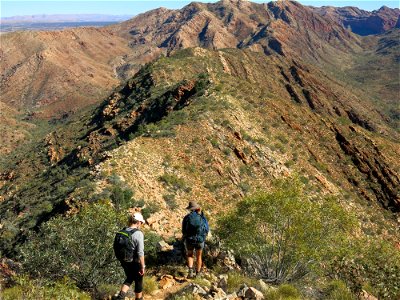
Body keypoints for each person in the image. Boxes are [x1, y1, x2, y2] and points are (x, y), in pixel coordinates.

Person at [113, 212, 146, 300]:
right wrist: (143, 266)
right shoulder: (138, 234)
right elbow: (140, 252)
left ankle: (120, 297)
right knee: (138, 281)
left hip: (124, 260)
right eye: (141, 223)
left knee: (130, 277)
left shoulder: (121, 231)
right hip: (135, 261)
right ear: (138, 222)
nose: (141, 224)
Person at [182, 201, 209, 278]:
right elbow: (207, 229)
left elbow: (183, 230)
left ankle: (190, 271)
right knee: (199, 256)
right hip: (200, 240)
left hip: (189, 240)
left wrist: (185, 237)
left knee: (190, 255)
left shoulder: (187, 218)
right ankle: (198, 274)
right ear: (197, 208)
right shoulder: (202, 218)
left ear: (190, 209)